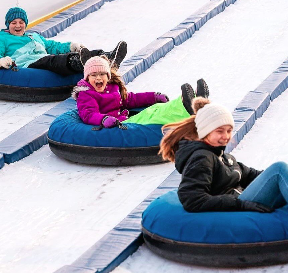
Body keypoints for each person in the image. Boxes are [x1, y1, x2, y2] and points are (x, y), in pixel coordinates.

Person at [159, 96, 288, 213]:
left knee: (279, 173)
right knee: (278, 169)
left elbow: (250, 174)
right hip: (236, 206)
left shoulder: (223, 157)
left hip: (240, 198)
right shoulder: (202, 158)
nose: (226, 136)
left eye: (229, 131)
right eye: (219, 131)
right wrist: (240, 205)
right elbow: (193, 199)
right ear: (206, 132)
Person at [72, 55, 209, 128]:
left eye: (102, 74)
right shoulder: (86, 94)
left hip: (124, 119)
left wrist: (153, 97)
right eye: (93, 75)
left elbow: (130, 99)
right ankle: (186, 106)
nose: (98, 78)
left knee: (156, 108)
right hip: (117, 126)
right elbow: (89, 114)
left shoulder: (112, 87)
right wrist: (104, 119)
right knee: (152, 116)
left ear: (108, 76)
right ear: (87, 77)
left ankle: (193, 101)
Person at [0, 7, 127, 76]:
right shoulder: (3, 38)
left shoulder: (34, 36)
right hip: (27, 63)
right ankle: (79, 62)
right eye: (13, 23)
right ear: (8, 24)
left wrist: (71, 46)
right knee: (52, 60)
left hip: (44, 58)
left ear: (25, 24)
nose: (18, 26)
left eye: (21, 22)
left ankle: (107, 57)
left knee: (58, 57)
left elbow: (53, 46)